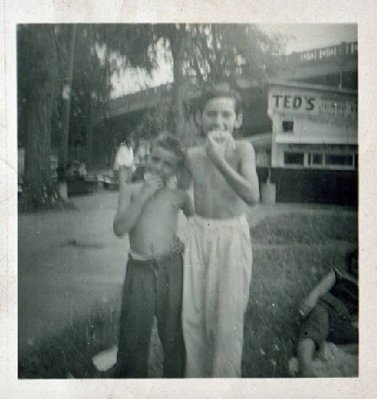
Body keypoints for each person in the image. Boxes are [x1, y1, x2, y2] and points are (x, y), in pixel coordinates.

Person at [181, 82, 260, 377]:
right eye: (211, 114)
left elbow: (253, 196)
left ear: (237, 120)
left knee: (228, 321)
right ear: (200, 119)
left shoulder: (243, 150)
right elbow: (178, 192)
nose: (218, 122)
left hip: (231, 237)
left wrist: (219, 161)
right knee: (193, 318)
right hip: (199, 235)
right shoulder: (191, 155)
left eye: (226, 114)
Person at [113, 134, 193, 378]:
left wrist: (185, 243)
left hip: (171, 268)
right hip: (140, 269)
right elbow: (119, 229)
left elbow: (199, 224)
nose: (159, 167)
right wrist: (146, 193)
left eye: (168, 164)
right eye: (156, 159)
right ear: (147, 158)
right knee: (134, 335)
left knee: (174, 334)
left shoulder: (179, 195)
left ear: (176, 169)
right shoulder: (131, 191)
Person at [296, 250, 358, 377]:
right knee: (314, 327)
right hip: (326, 307)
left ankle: (331, 350)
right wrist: (304, 309)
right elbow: (317, 292)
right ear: (350, 260)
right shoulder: (339, 274)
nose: (358, 262)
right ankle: (305, 368)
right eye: (356, 258)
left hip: (345, 322)